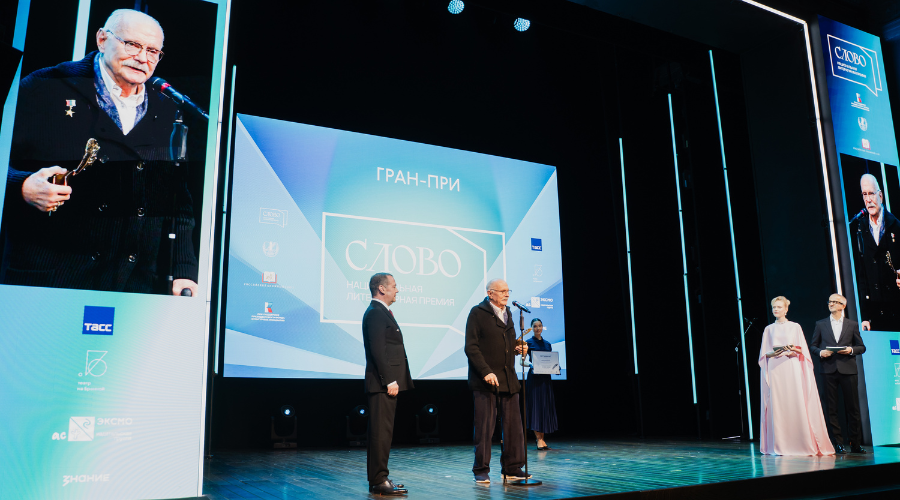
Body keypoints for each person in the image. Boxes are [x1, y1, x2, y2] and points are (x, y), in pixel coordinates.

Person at [1, 9, 198, 296]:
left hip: (133, 289)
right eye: (132, 45)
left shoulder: (167, 108)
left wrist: (183, 269)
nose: (142, 58)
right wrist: (21, 186)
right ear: (102, 40)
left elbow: (177, 199)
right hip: (51, 281)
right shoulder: (45, 87)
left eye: (153, 51)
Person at [464, 278, 530, 483]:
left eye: (508, 291)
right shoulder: (477, 313)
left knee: (513, 428)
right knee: (485, 428)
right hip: (486, 380)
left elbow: (506, 343)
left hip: (509, 379)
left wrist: (519, 347)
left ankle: (512, 468)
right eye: (502, 291)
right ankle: (481, 469)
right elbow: (471, 347)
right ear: (490, 293)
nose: (507, 294)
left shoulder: (508, 312)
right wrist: (485, 371)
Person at [758, 296, 834, 456]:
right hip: (775, 368)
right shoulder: (768, 329)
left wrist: (793, 349)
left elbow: (802, 350)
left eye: (779, 307)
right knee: (778, 403)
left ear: (786, 309)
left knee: (795, 400)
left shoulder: (795, 327)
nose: (776, 309)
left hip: (791, 366)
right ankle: (780, 443)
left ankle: (801, 442)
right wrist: (773, 353)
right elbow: (764, 354)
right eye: (774, 307)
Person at [362, 272, 413, 495]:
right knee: (380, 434)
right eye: (394, 285)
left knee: (384, 433)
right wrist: (389, 379)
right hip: (382, 384)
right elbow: (378, 350)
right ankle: (378, 481)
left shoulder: (381, 312)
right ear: (382, 289)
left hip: (385, 383)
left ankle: (381, 477)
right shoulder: (375, 313)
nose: (397, 289)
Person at [809, 293, 867, 454]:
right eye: (830, 301)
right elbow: (813, 346)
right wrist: (821, 352)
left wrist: (850, 350)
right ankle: (838, 443)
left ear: (843, 305)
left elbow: (861, 347)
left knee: (853, 408)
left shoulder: (852, 324)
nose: (831, 304)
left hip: (848, 370)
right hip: (828, 370)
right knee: (831, 408)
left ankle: (855, 443)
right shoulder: (821, 324)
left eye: (835, 302)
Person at [850, 174, 900, 332]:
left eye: (871, 193)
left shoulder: (896, 226)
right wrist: (865, 316)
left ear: (880, 196)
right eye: (864, 194)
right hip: (875, 314)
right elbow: (862, 275)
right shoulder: (860, 229)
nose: (868, 199)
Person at [525, 317, 557, 450]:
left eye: (539, 326)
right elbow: (522, 361)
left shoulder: (548, 344)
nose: (537, 328)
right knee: (536, 408)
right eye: (535, 326)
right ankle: (538, 439)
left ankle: (542, 439)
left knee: (544, 407)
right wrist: (531, 365)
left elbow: (551, 361)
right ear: (532, 328)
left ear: (542, 327)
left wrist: (556, 367)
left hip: (545, 379)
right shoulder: (528, 342)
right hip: (534, 379)